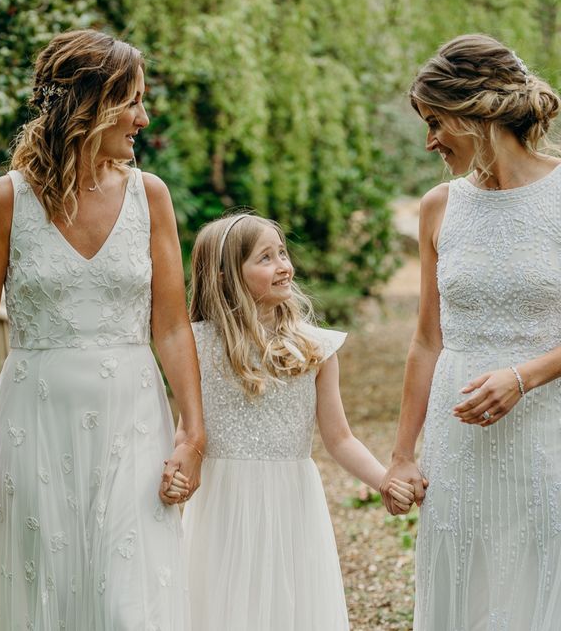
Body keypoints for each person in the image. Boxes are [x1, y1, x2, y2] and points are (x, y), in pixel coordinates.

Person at [0, 29, 205, 630]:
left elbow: (171, 325)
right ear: (90, 104)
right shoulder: (6, 200)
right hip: (35, 423)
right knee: (46, 596)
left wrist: (193, 432)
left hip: (132, 415)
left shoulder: (150, 197)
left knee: (128, 598)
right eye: (132, 100)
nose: (143, 117)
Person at [379, 34, 561, 630]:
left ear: (473, 112)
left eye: (436, 122)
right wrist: (403, 456)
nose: (430, 140)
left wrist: (524, 376)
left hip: (547, 429)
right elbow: (426, 341)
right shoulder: (439, 206)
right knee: (463, 582)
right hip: (456, 439)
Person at [169, 213, 414, 630]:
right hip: (222, 505)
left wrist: (383, 480)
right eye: (266, 258)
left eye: (282, 253)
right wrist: (175, 470)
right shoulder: (197, 345)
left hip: (291, 503)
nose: (284, 265)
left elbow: (339, 438)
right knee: (224, 608)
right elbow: (186, 431)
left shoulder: (315, 347)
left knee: (290, 607)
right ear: (227, 275)